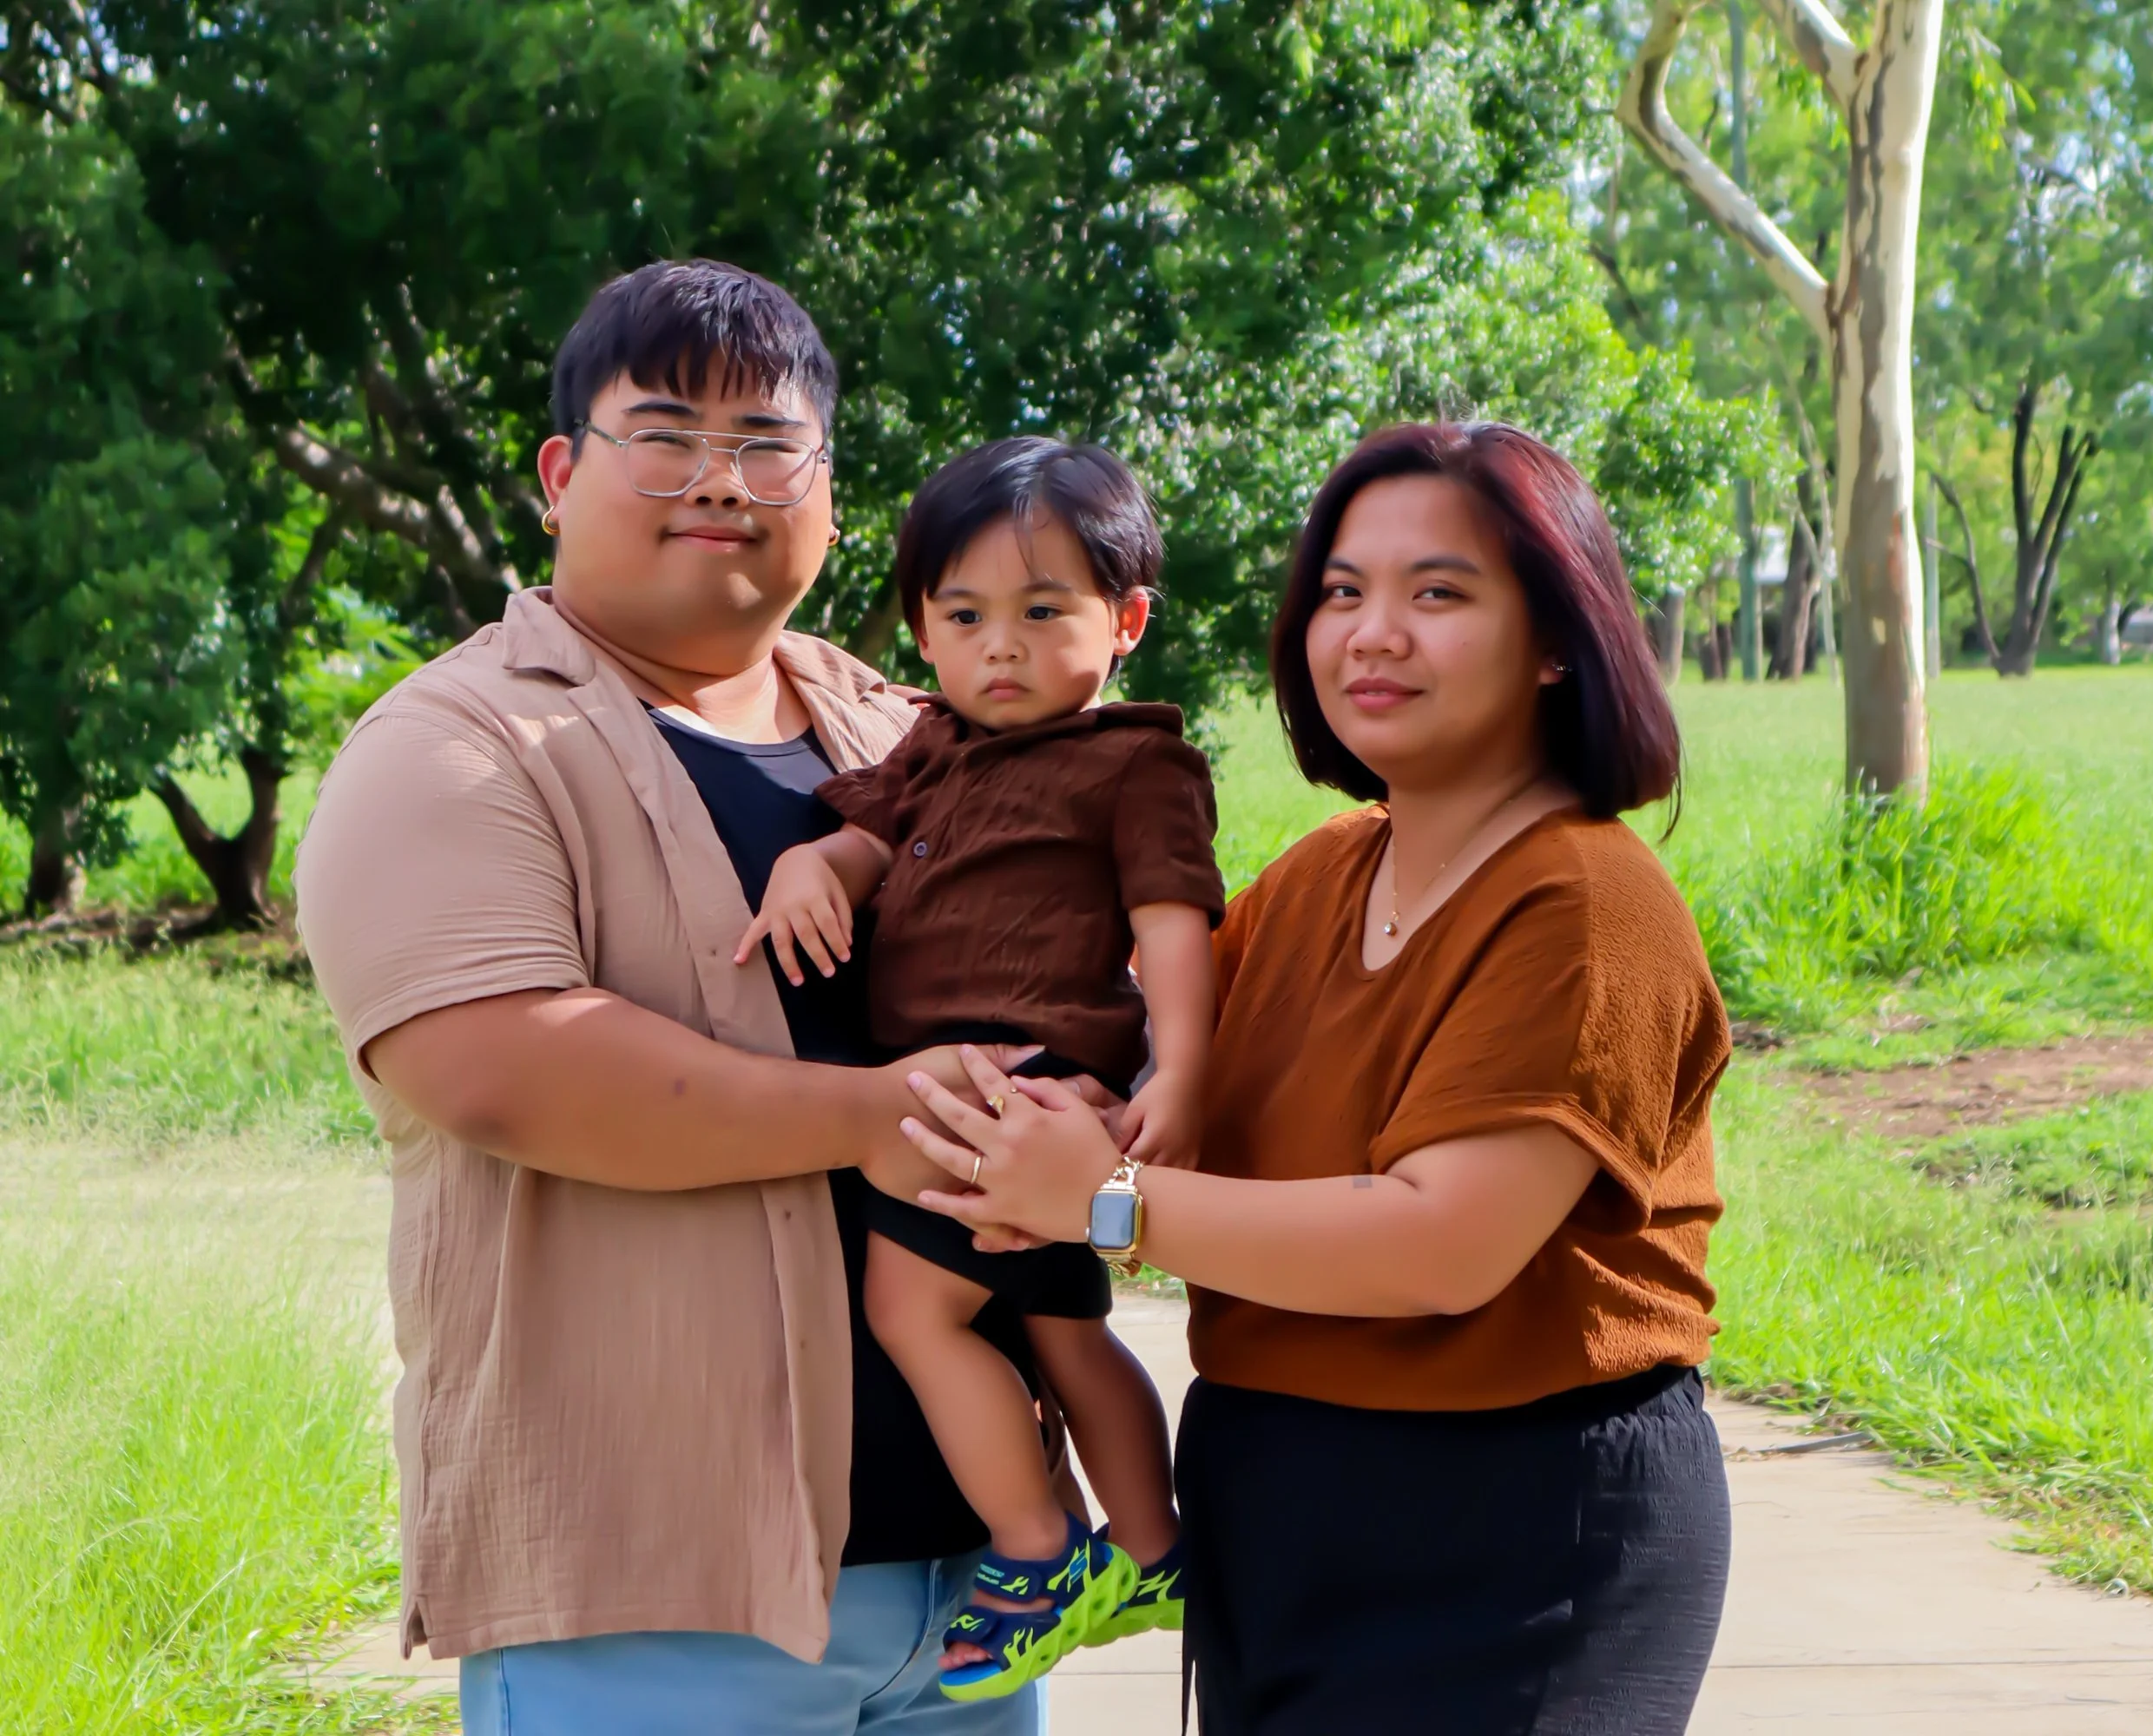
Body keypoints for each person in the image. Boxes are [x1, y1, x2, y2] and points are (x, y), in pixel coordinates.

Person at [294, 259, 1078, 1736]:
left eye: (766, 446)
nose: (720, 482)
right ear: (558, 474)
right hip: (657, 1608)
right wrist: (875, 1119)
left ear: (828, 492)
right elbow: (499, 1066)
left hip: (973, 1596)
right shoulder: (459, 746)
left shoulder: (913, 723)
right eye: (664, 435)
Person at [894, 421, 1735, 1733]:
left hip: (1517, 1525)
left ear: (1558, 638)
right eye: (1344, 592)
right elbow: (1182, 1101)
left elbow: (1441, 1245)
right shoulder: (1316, 881)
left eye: (1437, 593)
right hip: (1274, 1495)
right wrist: (1075, 1126)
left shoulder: (1588, 900)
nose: (1372, 634)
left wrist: (1101, 1199)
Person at [739, 437, 1221, 1700]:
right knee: (1062, 1332)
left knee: (910, 1310)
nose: (999, 645)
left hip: (1011, 1085)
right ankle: (1159, 1547)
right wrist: (811, 870)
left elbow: (1174, 922)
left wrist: (1182, 1064)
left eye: (1041, 611)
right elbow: (865, 836)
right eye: (965, 614)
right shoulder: (937, 742)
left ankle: (1036, 1548)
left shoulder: (1137, 763)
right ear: (924, 625)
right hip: (967, 1083)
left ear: (1125, 622)